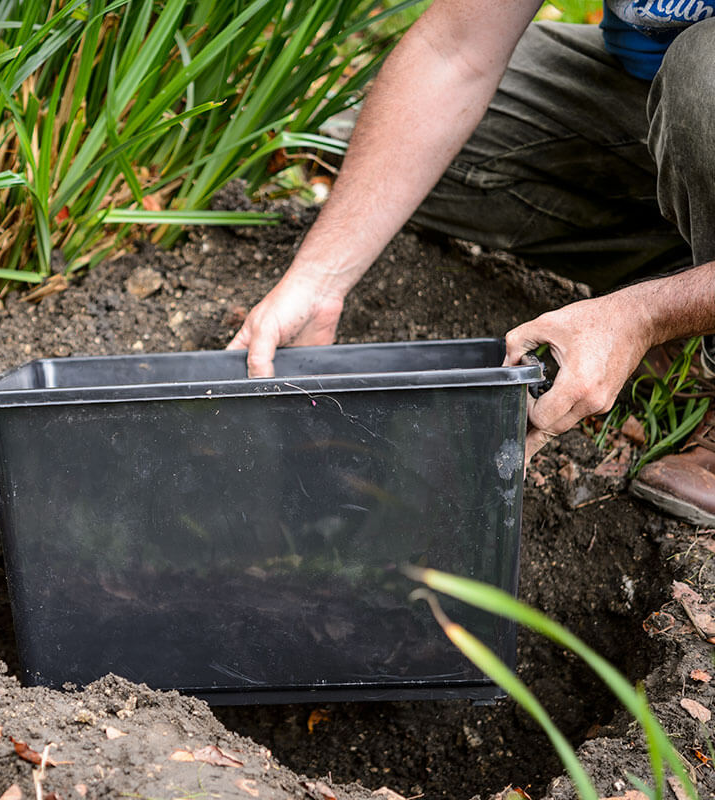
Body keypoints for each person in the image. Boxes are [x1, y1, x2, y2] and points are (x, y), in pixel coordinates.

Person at [227, 0, 715, 524]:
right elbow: (454, 50)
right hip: (641, 94)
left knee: (703, 78)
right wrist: (318, 278)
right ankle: (692, 258)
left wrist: (643, 317)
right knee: (374, 147)